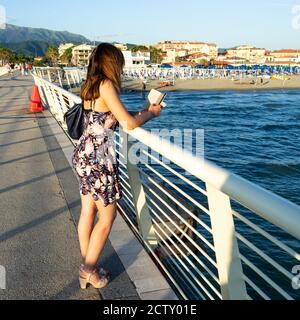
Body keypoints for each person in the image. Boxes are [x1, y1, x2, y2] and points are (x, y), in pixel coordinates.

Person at [71, 43, 162, 290]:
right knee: (107, 217)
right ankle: (88, 270)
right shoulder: (106, 85)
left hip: (84, 155)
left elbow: (110, 115)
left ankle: (88, 265)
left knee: (88, 211)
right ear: (113, 62)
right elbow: (129, 124)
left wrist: (139, 112)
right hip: (99, 159)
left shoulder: (90, 84)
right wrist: (151, 113)